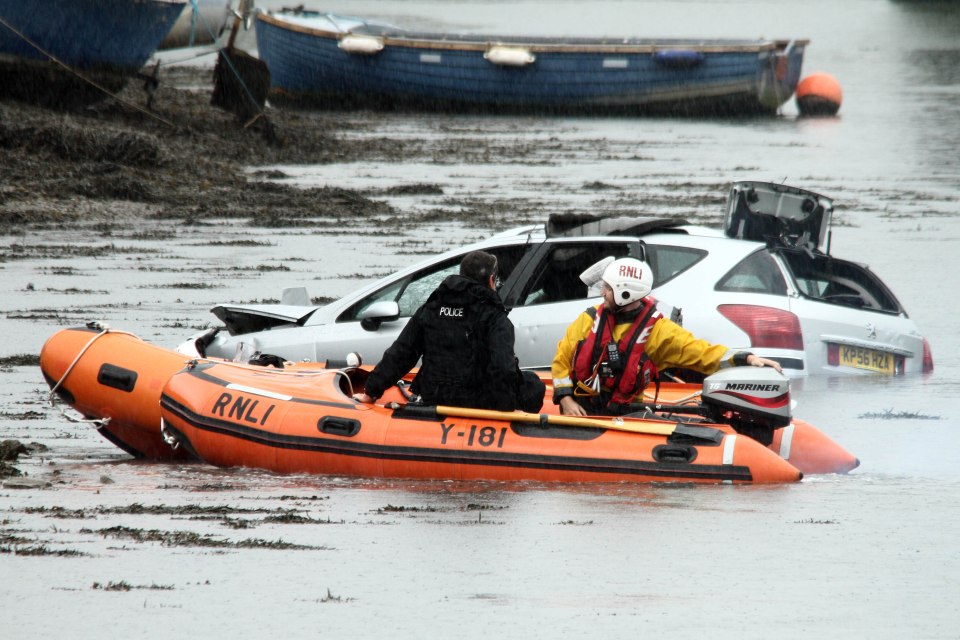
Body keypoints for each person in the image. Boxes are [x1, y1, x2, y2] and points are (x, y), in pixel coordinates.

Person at [553, 256, 782, 417]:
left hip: (626, 412)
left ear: (625, 293)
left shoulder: (659, 332)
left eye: (608, 288)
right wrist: (566, 399)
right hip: (581, 406)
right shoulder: (589, 319)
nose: (602, 292)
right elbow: (562, 360)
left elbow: (701, 352)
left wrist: (746, 358)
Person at [354, 250, 545, 412]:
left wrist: (372, 391)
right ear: (491, 280)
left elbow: (402, 353)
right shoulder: (494, 317)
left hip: (434, 395)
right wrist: (507, 409)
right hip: (476, 400)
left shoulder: (432, 307)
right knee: (533, 385)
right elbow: (502, 368)